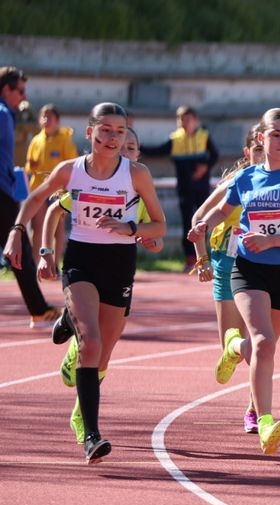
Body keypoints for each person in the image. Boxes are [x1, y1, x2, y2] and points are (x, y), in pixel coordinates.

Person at [5, 102, 167, 462]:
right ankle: (91, 434)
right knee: (91, 343)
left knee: (103, 352)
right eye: (105, 130)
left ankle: (71, 321)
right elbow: (36, 199)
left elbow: (160, 225)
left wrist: (132, 228)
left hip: (120, 265)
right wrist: (22, 235)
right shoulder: (72, 171)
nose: (112, 138)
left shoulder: (136, 175)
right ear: (90, 132)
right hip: (81, 261)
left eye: (119, 131)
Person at [190, 107, 280, 455]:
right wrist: (206, 223)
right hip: (249, 268)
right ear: (261, 138)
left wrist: (273, 241)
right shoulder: (247, 177)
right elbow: (225, 209)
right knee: (265, 342)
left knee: (260, 346)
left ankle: (233, 346)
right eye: (277, 135)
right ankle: (265, 421)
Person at [189, 126, 264, 433]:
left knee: (260, 343)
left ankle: (254, 410)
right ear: (248, 153)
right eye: (257, 150)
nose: (265, 155)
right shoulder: (236, 181)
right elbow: (199, 219)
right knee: (231, 340)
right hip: (224, 260)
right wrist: (202, 258)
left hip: (259, 263)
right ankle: (232, 349)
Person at [1, 66, 58, 328]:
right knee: (19, 249)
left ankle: (39, 309)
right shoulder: (2, 115)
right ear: (6, 90)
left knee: (19, 249)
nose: (24, 97)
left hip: (6, 188)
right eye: (20, 91)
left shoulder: (8, 115)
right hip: (1, 192)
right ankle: (38, 310)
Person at [144, 104, 219, 270]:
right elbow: (158, 151)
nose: (184, 123)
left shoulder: (204, 136)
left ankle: (207, 255)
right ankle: (190, 258)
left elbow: (215, 155)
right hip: (185, 189)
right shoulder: (175, 139)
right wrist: (137, 147)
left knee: (205, 222)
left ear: (196, 120)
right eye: (181, 120)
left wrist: (205, 166)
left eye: (188, 120)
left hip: (202, 188)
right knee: (187, 223)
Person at [25, 104, 77, 261]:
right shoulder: (36, 140)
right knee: (38, 226)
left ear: (57, 120)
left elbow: (72, 164)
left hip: (59, 190)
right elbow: (29, 166)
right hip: (39, 188)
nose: (46, 120)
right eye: (43, 116)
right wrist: (32, 165)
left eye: (50, 117)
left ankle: (55, 264)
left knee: (58, 227)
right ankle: (36, 263)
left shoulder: (65, 140)